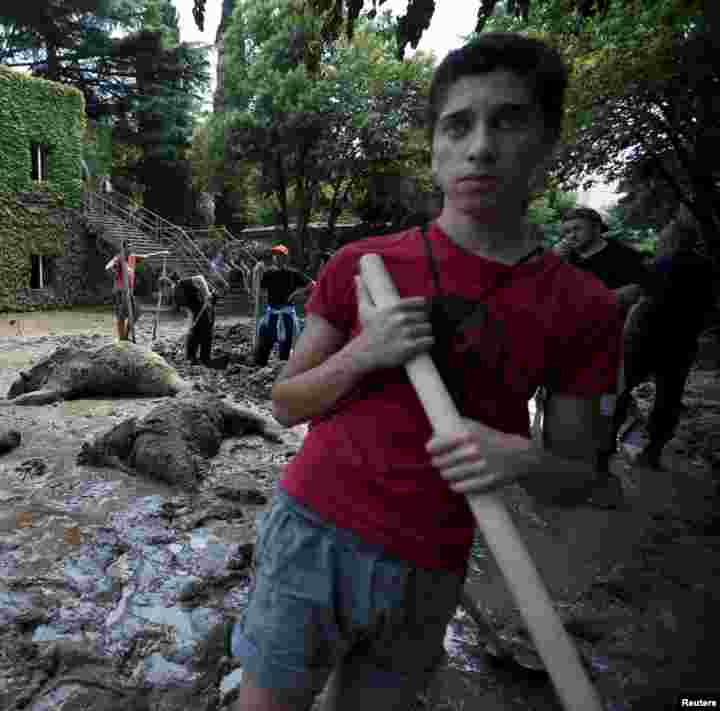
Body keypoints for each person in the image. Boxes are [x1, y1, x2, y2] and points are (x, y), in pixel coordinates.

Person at [232, 33, 623, 711]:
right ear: (435, 150)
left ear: (548, 142)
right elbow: (287, 403)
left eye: (507, 120)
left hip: (433, 562)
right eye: (458, 125)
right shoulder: (362, 264)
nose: (480, 146)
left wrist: (520, 457)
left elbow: (581, 476)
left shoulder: (583, 305)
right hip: (311, 533)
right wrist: (364, 350)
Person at [538, 206, 655, 505]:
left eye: (576, 229)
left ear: (596, 227)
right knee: (556, 406)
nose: (570, 237)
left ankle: (599, 474)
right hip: (564, 346)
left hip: (607, 347)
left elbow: (639, 292)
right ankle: (560, 476)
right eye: (565, 232)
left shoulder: (624, 256)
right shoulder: (562, 258)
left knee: (604, 409)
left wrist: (599, 302)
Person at [607, 239, 717, 469]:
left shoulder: (659, 265)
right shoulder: (708, 270)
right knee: (668, 397)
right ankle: (652, 452)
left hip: (644, 335)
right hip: (682, 339)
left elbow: (628, 295)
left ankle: (607, 444)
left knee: (621, 390)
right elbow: (710, 311)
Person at [253, 245, 316, 366]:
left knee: (285, 349)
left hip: (286, 315)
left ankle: (282, 371)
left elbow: (313, 285)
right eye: (275, 255)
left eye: (280, 255)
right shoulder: (268, 274)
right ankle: (260, 369)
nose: (277, 257)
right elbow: (259, 292)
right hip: (272, 314)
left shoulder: (293, 273)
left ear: (286, 258)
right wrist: (256, 276)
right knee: (264, 346)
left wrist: (297, 293)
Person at [105, 249, 166, 341]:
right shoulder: (118, 258)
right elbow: (108, 268)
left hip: (129, 292)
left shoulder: (132, 257)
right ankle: (122, 338)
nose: (128, 250)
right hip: (120, 291)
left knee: (136, 313)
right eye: (126, 248)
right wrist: (114, 272)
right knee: (121, 315)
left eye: (130, 248)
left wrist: (161, 253)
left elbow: (147, 256)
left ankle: (125, 335)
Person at [169, 273, 219, 365]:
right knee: (194, 332)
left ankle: (204, 359)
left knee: (205, 332)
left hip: (204, 305)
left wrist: (207, 294)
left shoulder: (182, 284)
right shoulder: (176, 294)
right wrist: (190, 323)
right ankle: (191, 357)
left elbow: (200, 278)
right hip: (196, 309)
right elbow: (187, 309)